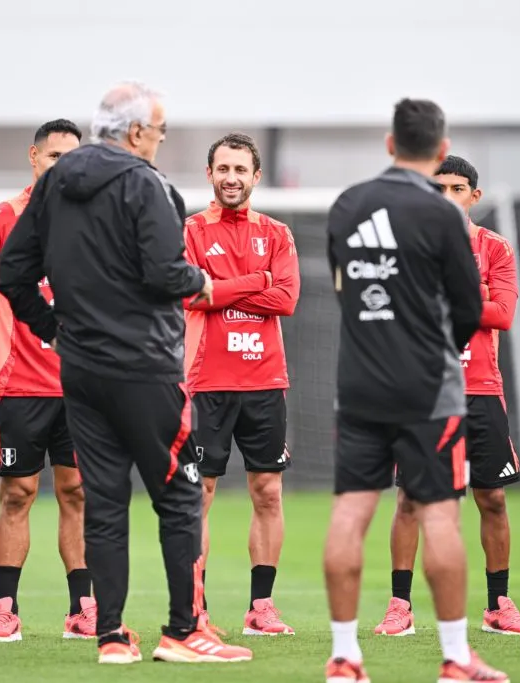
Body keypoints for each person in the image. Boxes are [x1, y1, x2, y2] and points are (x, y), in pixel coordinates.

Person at [0, 81, 252, 665]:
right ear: (136, 132)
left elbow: (13, 273)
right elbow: (166, 272)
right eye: (159, 132)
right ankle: (185, 632)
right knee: (181, 497)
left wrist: (56, 329)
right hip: (146, 370)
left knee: (105, 503)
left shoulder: (56, 180)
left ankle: (111, 637)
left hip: (81, 372)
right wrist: (202, 282)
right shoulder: (147, 183)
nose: (159, 141)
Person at [323, 98, 507, 683]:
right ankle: (456, 658)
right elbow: (466, 306)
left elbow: (342, 290)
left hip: (358, 386)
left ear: (389, 143)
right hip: (430, 390)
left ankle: (345, 656)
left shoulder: (348, 205)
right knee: (440, 521)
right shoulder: (443, 216)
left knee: (351, 515)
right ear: (441, 146)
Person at [374, 155, 520, 638]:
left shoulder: (496, 248)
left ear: (473, 196)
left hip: (482, 389)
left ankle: (498, 604)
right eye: (438, 188)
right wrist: (473, 294)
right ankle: (398, 606)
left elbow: (504, 313)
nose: (447, 197)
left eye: (457, 188)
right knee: (409, 500)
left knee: (492, 499)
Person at [0, 119, 95, 642]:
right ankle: (5, 610)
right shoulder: (0, 220)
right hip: (20, 384)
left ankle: (82, 609)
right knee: (17, 493)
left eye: (73, 158)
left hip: (82, 387)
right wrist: (11, 344)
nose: (63, 166)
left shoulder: (96, 220)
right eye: (54, 156)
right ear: (33, 157)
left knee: (78, 493)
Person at [182, 132, 300, 636]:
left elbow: (288, 299)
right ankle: (195, 609)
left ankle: (261, 607)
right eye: (223, 169)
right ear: (210, 174)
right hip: (207, 381)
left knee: (268, 492)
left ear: (256, 176)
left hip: (265, 381)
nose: (232, 178)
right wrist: (256, 282)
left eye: (240, 170)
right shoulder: (188, 230)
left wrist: (222, 290)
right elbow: (190, 293)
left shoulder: (277, 233)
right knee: (199, 494)